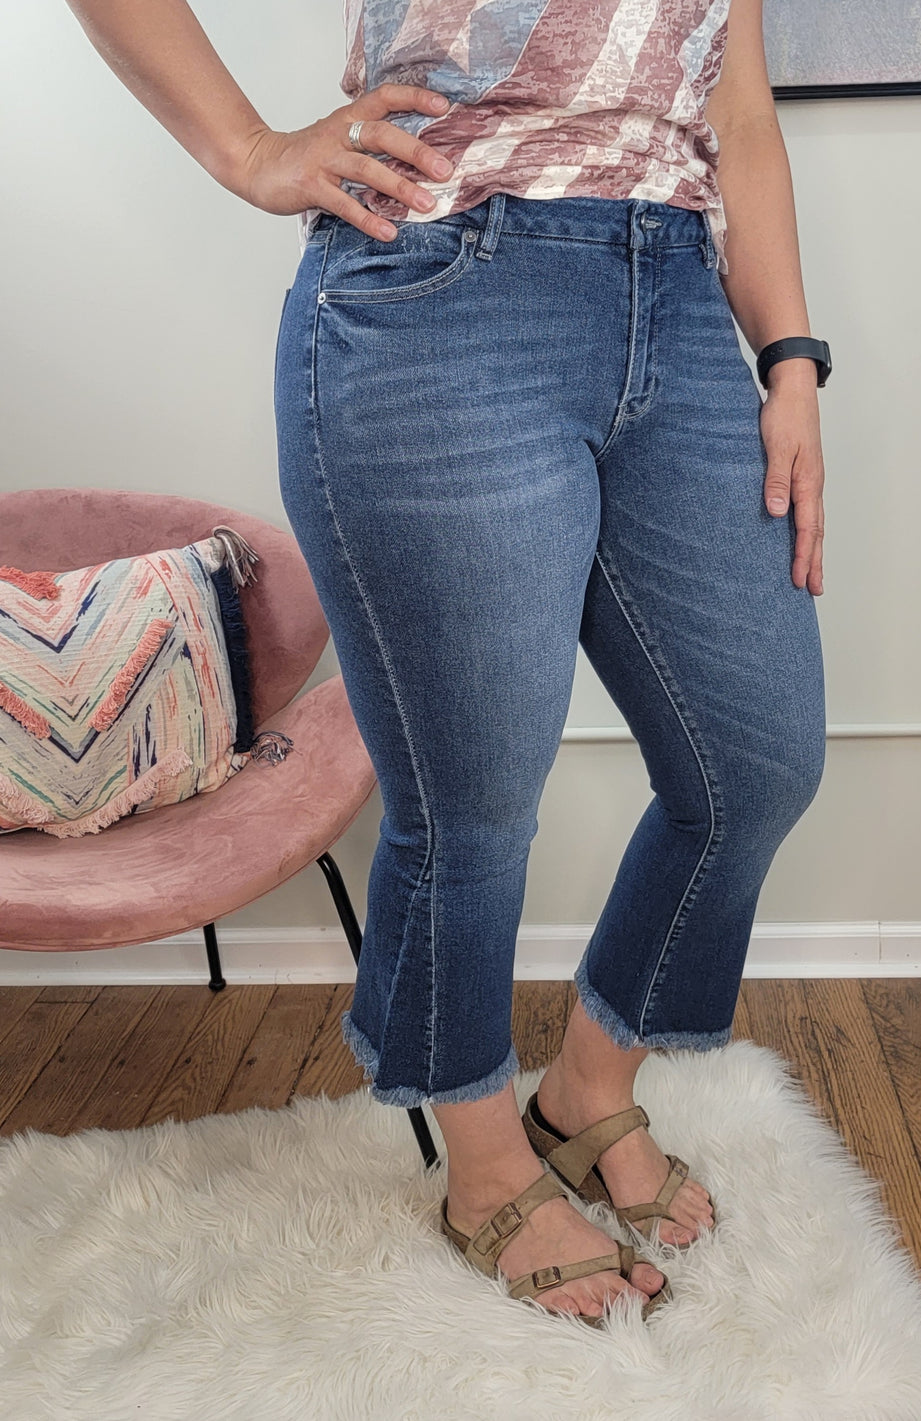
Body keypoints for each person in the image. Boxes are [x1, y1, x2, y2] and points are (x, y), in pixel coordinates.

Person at [65, 0, 828, 1325]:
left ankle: (587, 1088)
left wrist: (793, 356)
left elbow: (739, 106)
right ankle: (483, 1167)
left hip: (684, 301)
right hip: (440, 291)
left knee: (755, 762)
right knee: (469, 802)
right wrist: (250, 150)